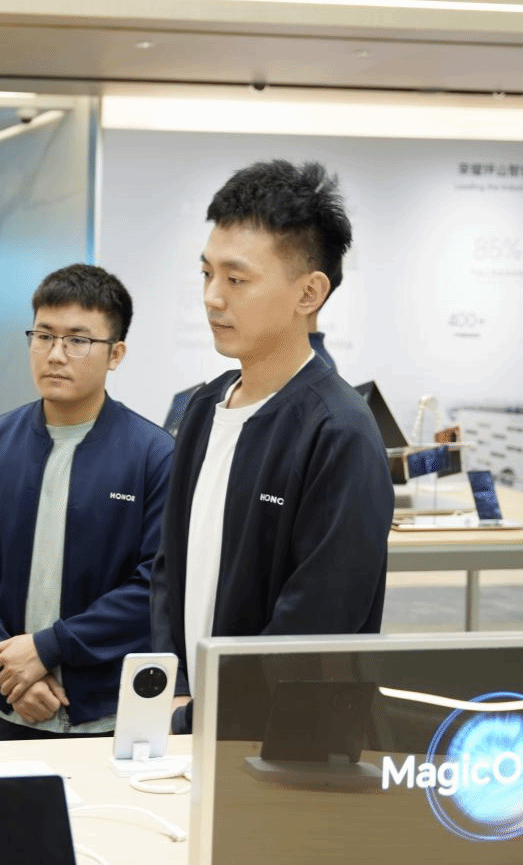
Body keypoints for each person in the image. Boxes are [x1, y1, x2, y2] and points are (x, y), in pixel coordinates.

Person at [149, 160, 392, 733]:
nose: (212, 298)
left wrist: (201, 716)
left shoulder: (340, 433)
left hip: (283, 742)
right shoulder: (203, 408)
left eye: (236, 280)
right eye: (206, 273)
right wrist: (172, 686)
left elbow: (315, 623)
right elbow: (168, 569)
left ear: (309, 292)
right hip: (187, 723)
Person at [0, 264, 173, 741]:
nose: (55, 354)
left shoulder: (154, 456)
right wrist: (7, 671)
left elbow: (153, 586)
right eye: (43, 336)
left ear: (116, 354)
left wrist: (49, 648)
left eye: (78, 340)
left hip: (102, 712)